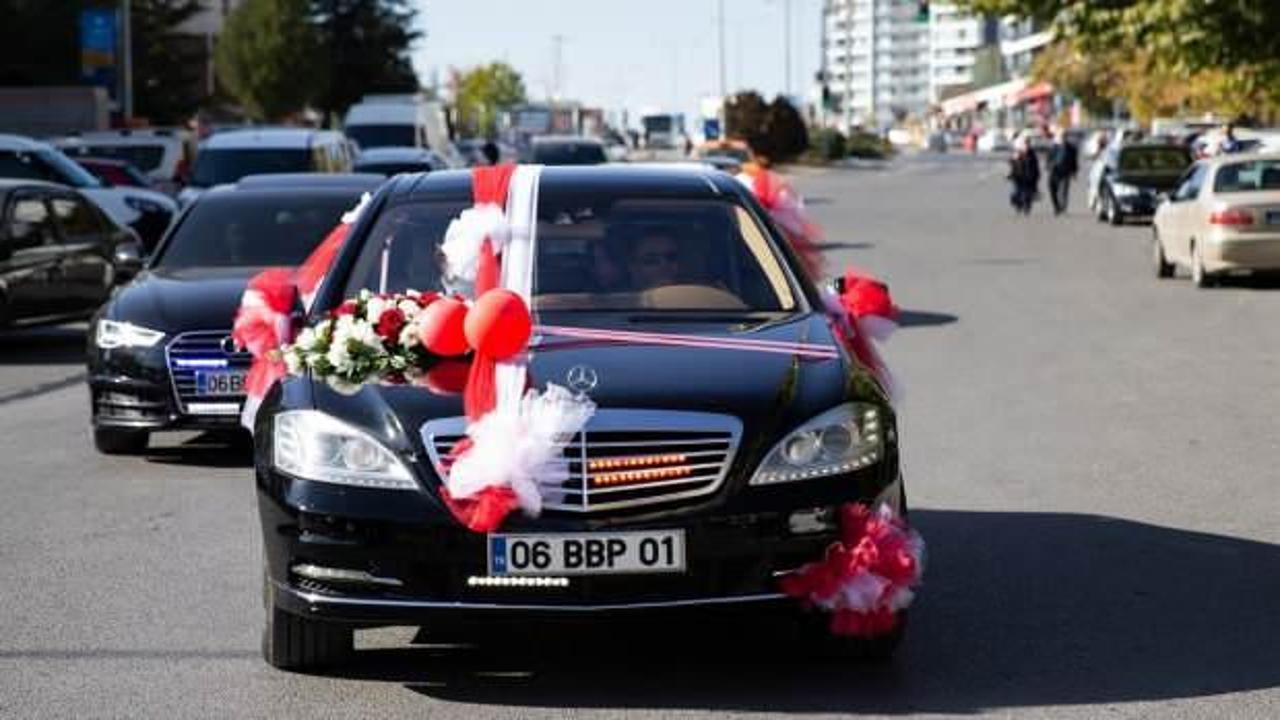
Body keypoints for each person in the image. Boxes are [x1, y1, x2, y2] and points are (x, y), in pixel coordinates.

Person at [1047, 127, 1079, 216]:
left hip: (1065, 172)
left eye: (1064, 135)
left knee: (1063, 190)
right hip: (1054, 172)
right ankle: (1056, 206)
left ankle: (1062, 207)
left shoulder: (1071, 148)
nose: (1062, 137)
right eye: (1061, 135)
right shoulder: (1053, 146)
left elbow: (1074, 161)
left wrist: (1074, 172)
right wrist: (1049, 166)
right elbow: (1048, 158)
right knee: (1052, 190)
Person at [1007, 135, 1040, 215]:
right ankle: (1018, 205)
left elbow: (1035, 166)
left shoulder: (1032, 153)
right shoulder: (1017, 153)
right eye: (1024, 144)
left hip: (1029, 176)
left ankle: (1027, 207)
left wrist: (1037, 176)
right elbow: (1011, 163)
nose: (1026, 145)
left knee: (1027, 193)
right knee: (1017, 192)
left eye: (1027, 143)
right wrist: (1014, 159)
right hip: (1018, 176)